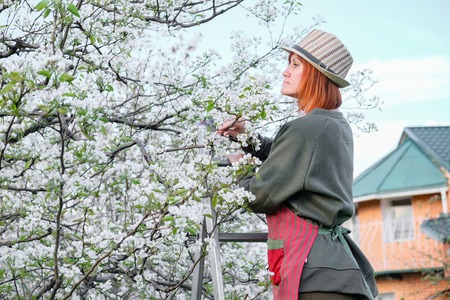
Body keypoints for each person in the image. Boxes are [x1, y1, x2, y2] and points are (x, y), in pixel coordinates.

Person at [217, 29, 378, 300]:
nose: (285, 72)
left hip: (315, 274)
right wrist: (247, 137)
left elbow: (258, 195)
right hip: (332, 269)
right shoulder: (333, 124)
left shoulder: (307, 127)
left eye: (295, 64)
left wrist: (241, 167)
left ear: (316, 74)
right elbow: (289, 158)